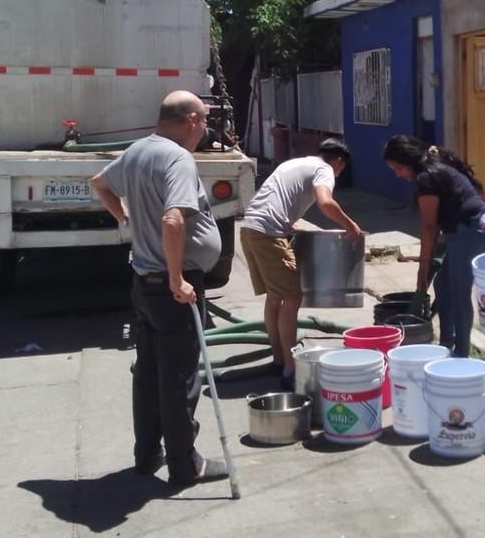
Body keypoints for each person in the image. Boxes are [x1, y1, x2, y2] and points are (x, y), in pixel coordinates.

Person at [89, 90, 226, 487]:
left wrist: (128, 219)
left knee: (149, 373)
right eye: (203, 122)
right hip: (170, 288)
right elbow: (172, 220)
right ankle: (185, 465)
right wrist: (176, 278)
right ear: (191, 120)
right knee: (179, 378)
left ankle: (147, 454)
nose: (203, 130)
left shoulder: (137, 151)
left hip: (143, 284)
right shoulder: (177, 157)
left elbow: (100, 183)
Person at [241, 139, 362, 389]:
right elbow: (325, 202)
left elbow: (275, 197)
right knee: (292, 298)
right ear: (338, 161)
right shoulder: (324, 169)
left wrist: (289, 223)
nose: (338, 173)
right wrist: (350, 225)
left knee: (275, 297)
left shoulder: (295, 163)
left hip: (249, 227)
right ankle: (290, 367)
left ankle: (278, 358)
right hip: (268, 233)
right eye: (341, 169)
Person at [383, 135, 485, 358]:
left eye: (399, 168)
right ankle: (446, 344)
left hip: (471, 229)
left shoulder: (427, 177)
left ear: (409, 160)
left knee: (459, 291)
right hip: (468, 227)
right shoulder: (433, 167)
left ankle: (461, 355)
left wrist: (423, 265)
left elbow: (429, 225)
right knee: (443, 283)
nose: (398, 174)